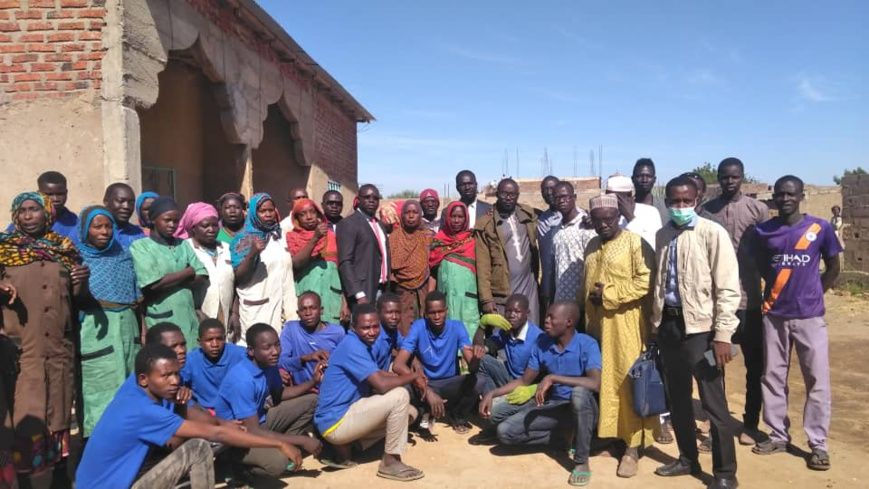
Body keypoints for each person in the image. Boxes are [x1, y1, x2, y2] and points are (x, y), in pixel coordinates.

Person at [75, 344, 303, 489]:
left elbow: (183, 437)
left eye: (176, 374)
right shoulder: (143, 410)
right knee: (198, 448)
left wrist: (178, 405)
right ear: (144, 378)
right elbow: (216, 432)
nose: (175, 381)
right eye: (166, 375)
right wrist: (280, 442)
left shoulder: (132, 390)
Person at [651, 176, 740, 489]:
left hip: (702, 331)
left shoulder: (712, 233)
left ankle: (725, 473)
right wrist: (656, 325)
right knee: (678, 399)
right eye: (674, 202)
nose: (680, 207)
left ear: (697, 200)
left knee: (713, 403)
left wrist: (723, 335)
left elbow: (729, 288)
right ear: (667, 202)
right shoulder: (663, 235)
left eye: (686, 201)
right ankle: (687, 457)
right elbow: (659, 285)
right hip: (671, 327)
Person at [751, 175, 841, 472]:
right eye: (780, 194)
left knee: (817, 380)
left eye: (791, 194)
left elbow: (833, 266)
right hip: (774, 315)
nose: (785, 199)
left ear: (802, 195)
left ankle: (818, 444)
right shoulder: (764, 231)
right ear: (774, 197)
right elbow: (764, 266)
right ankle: (778, 435)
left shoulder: (820, 227)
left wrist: (815, 293)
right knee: (773, 377)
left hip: (810, 317)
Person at [0, 192, 88, 487]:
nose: (28, 215)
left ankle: (61, 480)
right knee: (26, 417)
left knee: (60, 417)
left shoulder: (64, 249)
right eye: (22, 210)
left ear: (47, 213)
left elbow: (74, 301)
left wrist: (80, 283)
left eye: (34, 209)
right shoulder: (4, 250)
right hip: (23, 351)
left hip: (58, 350)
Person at [480, 302, 601, 487]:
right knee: (505, 433)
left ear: (568, 322)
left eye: (552, 317)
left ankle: (581, 461)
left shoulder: (587, 344)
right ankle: (561, 438)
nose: (546, 321)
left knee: (578, 394)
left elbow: (595, 383)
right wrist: (492, 394)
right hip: (554, 408)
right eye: (546, 316)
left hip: (583, 410)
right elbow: (524, 381)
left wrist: (553, 378)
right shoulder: (542, 342)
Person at [584, 194, 656, 477]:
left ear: (618, 218)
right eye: (598, 220)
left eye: (609, 219)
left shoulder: (634, 243)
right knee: (605, 382)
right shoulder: (591, 245)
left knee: (629, 383)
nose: (603, 225)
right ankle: (612, 435)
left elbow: (645, 281)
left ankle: (633, 447)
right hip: (597, 326)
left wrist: (611, 295)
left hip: (626, 325)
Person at [315, 303, 425, 481]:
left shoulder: (359, 342)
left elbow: (377, 373)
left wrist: (410, 376)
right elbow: (381, 384)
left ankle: (351, 446)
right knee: (400, 396)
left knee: (409, 413)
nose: (372, 332)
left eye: (375, 326)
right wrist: (413, 377)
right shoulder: (352, 345)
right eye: (366, 327)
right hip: (335, 422)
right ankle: (390, 462)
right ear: (353, 327)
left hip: (344, 414)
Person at [701, 157, 770, 445]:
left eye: (735, 177)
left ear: (742, 177)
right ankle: (718, 426)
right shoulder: (707, 211)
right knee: (713, 365)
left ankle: (751, 423)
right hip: (717, 304)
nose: (729, 182)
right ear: (718, 178)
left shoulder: (758, 210)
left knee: (755, 366)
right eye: (724, 177)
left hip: (749, 300)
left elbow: (769, 251)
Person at [216, 323, 322, 479]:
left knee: (312, 400)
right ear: (251, 351)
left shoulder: (268, 364)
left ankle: (286, 446)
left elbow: (278, 395)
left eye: (277, 345)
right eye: (268, 348)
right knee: (279, 463)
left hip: (260, 421)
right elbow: (252, 431)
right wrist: (302, 440)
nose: (275, 352)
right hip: (238, 438)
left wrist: (312, 382)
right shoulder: (242, 380)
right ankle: (235, 465)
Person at [77, 205, 143, 438]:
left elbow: (137, 299)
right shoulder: (77, 259)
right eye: (97, 227)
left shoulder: (123, 255)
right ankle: (97, 445)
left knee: (131, 385)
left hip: (128, 328)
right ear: (85, 230)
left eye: (108, 226)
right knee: (99, 389)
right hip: (95, 331)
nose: (104, 231)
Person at [393, 291, 485, 434]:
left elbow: (472, 368)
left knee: (478, 380)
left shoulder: (457, 327)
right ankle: (425, 412)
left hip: (450, 382)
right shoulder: (418, 326)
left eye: (440, 311)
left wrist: (476, 358)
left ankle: (457, 414)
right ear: (425, 313)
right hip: (426, 383)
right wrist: (427, 390)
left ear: (446, 311)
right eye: (432, 312)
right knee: (403, 389)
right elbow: (398, 365)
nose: (437, 316)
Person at [130, 197, 209, 347]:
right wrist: (187, 272)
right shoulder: (141, 247)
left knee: (190, 360)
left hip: (188, 318)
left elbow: (201, 275)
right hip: (161, 318)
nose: (172, 225)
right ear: (153, 220)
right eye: (167, 220)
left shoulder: (182, 244)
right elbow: (151, 285)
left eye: (176, 220)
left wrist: (167, 280)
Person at [472, 294, 543, 439]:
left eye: (517, 311)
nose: (511, 315)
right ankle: (493, 406)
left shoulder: (538, 338)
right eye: (508, 311)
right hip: (510, 382)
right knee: (482, 360)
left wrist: (493, 394)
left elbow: (528, 380)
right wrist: (482, 325)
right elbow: (478, 349)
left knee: (492, 416)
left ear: (527, 313)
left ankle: (500, 414)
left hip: (526, 390)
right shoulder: (506, 331)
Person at [230, 192, 298, 343]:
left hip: (283, 305)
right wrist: (252, 253)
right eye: (262, 211)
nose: (268, 214)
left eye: (271, 210)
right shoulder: (244, 239)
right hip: (257, 307)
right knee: (258, 348)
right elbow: (240, 277)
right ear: (254, 213)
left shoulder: (278, 235)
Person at [476, 178, 541, 324]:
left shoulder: (527, 214)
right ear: (497, 194)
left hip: (528, 288)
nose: (509, 197)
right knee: (504, 333)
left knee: (531, 331)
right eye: (504, 193)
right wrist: (486, 299)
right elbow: (482, 265)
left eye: (513, 194)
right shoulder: (486, 223)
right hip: (503, 291)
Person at [176, 202, 235, 327]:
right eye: (205, 226)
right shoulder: (184, 249)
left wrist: (235, 313)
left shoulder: (226, 248)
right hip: (197, 316)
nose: (211, 230)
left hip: (225, 316)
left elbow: (236, 284)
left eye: (214, 225)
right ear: (193, 228)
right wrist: (196, 310)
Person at [286, 198, 344, 325]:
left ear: (318, 214)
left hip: (331, 299)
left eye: (312, 212)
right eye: (303, 214)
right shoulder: (292, 237)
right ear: (297, 218)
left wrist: (345, 302)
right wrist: (315, 238)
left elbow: (341, 269)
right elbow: (297, 264)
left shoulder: (331, 236)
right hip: (307, 298)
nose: (309, 217)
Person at [429, 201, 480, 340]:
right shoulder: (438, 240)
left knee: (469, 339)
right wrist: (429, 298)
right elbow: (432, 273)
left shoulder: (474, 240)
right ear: (447, 218)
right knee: (447, 337)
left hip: (469, 300)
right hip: (445, 299)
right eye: (453, 216)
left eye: (460, 216)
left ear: (466, 218)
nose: (457, 220)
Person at [337, 184, 390, 307]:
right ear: (358, 199)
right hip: (363, 291)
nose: (371, 200)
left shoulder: (380, 225)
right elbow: (345, 262)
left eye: (375, 198)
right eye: (367, 197)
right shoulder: (349, 223)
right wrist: (359, 294)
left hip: (382, 289)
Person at [279, 291, 345, 384]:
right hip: (303, 390)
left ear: (321, 310)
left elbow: (346, 362)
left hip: (331, 387)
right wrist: (306, 358)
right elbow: (281, 361)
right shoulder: (291, 329)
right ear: (298, 313)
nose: (308, 313)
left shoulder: (337, 332)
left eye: (313, 308)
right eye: (303, 309)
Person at [183, 319, 248, 411]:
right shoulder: (190, 361)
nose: (215, 344)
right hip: (205, 413)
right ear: (199, 342)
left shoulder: (240, 355)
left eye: (219, 339)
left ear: (225, 339)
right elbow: (178, 385)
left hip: (237, 409)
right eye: (209, 340)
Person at [389, 200, 432, 330]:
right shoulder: (393, 238)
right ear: (402, 216)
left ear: (421, 215)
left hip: (423, 292)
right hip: (401, 293)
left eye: (415, 212)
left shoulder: (428, 237)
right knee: (404, 331)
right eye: (407, 212)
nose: (411, 216)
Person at [4, 171, 80, 245]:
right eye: (49, 194)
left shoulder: (74, 223)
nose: (55, 199)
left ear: (66, 192)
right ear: (39, 194)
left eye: (60, 194)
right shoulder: (25, 222)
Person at [551, 181, 595, 306]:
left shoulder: (586, 226)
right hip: (561, 299)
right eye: (557, 198)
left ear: (574, 198)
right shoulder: (556, 230)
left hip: (582, 301)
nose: (561, 201)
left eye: (565, 197)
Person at [606, 173, 662, 249]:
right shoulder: (605, 214)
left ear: (629, 195)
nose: (610, 202)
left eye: (616, 198)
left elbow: (652, 245)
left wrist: (630, 218)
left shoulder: (650, 212)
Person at [537, 175, 562, 312]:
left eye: (552, 188)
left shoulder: (579, 218)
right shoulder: (541, 220)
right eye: (544, 189)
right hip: (548, 283)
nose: (548, 192)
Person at [371, 292, 408, 370]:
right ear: (378, 313)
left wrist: (415, 362)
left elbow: (406, 346)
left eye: (397, 312)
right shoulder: (374, 339)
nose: (394, 317)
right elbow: (371, 375)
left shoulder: (392, 330)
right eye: (389, 312)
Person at [103, 182, 146, 249]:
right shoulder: (96, 234)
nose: (126, 206)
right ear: (106, 202)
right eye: (120, 201)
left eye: (131, 202)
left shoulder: (138, 234)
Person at [632, 158, 669, 222]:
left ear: (654, 179)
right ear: (633, 179)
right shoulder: (625, 207)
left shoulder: (665, 207)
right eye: (640, 176)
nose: (644, 180)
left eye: (648, 176)